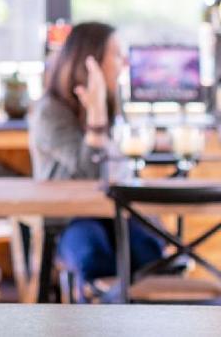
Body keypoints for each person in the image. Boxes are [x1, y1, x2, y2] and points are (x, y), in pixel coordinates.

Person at [29, 21, 162, 294]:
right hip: (68, 219)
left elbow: (119, 168)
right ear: (90, 63)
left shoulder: (114, 102)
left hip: (113, 213)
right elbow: (91, 173)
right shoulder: (49, 112)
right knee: (94, 252)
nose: (124, 63)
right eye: (116, 55)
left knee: (148, 248)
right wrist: (97, 118)